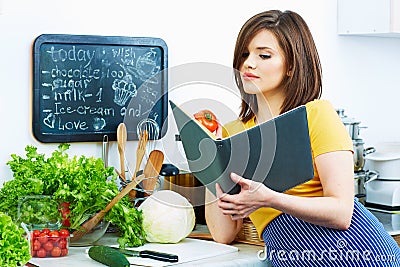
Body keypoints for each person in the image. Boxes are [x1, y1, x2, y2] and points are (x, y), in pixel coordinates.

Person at [204, 10, 400, 266]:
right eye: (244, 54)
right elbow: (223, 234)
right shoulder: (232, 133)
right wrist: (210, 159)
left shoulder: (317, 115)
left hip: (360, 253)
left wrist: (270, 198)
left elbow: (342, 212)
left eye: (263, 55)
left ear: (291, 66)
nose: (249, 63)